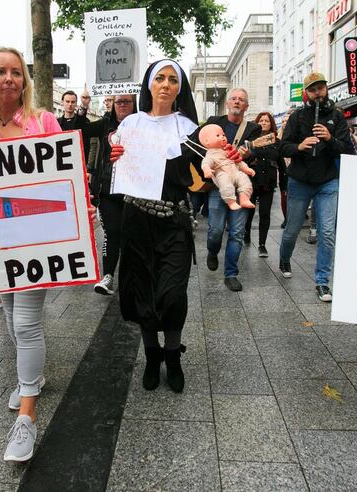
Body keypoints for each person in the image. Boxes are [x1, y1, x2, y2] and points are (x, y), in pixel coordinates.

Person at [0, 46, 83, 463]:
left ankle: (27, 417)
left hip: (36, 238)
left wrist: (83, 205)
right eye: (0, 71)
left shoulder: (43, 122)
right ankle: (33, 377)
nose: (9, 78)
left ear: (24, 81)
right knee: (10, 315)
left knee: (26, 322)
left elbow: (67, 174)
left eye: (16, 72)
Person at [110, 59, 207, 394]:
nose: (166, 84)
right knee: (142, 292)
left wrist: (227, 162)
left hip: (174, 220)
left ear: (180, 88)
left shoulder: (189, 128)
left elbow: (207, 167)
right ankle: (152, 356)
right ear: (149, 85)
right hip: (136, 220)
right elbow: (117, 169)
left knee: (173, 293)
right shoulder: (130, 125)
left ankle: (173, 354)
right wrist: (113, 159)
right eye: (160, 78)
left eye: (173, 80)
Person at [278, 72, 351, 302]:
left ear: (326, 89)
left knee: (327, 232)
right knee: (292, 229)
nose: (317, 93)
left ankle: (322, 282)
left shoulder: (337, 118)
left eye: (320, 88)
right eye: (312, 89)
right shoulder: (297, 117)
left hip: (328, 182)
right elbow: (283, 147)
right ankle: (284, 257)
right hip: (300, 181)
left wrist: (329, 138)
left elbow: (346, 150)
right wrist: (299, 146)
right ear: (306, 93)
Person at [202, 88, 261, 292]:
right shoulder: (214, 122)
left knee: (236, 233)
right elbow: (196, 143)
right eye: (234, 98)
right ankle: (212, 250)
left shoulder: (253, 129)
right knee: (215, 230)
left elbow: (256, 152)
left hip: (240, 185)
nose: (237, 102)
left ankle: (231, 274)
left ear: (246, 106)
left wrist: (248, 154)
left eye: (241, 100)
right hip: (218, 185)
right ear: (227, 103)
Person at [86, 94, 137, 295]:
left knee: (131, 236)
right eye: (118, 102)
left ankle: (130, 277)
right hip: (108, 190)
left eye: (127, 101)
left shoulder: (143, 124)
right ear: (113, 105)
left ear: (134, 104)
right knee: (112, 232)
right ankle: (108, 276)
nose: (122, 105)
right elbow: (80, 128)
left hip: (134, 191)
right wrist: (83, 105)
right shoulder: (105, 124)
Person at [244, 112, 285, 257]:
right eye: (261, 120)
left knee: (265, 213)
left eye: (266, 120)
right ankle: (246, 233)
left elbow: (281, 165)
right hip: (252, 181)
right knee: (248, 212)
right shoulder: (250, 140)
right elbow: (243, 160)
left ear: (271, 123)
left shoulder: (276, 142)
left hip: (268, 182)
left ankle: (262, 244)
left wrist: (284, 186)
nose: (263, 122)